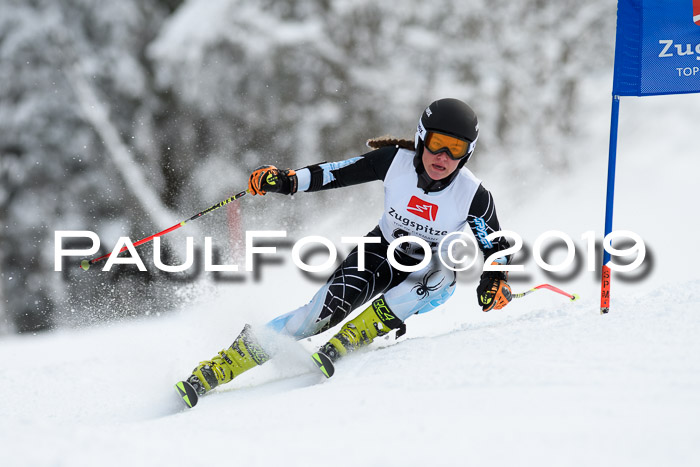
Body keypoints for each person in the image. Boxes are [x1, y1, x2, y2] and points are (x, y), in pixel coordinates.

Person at [181, 98, 513, 397]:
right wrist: (287, 181)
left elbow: (495, 245)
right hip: (380, 251)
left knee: (441, 275)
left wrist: (494, 280)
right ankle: (223, 365)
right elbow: (336, 173)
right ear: (422, 138)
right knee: (317, 317)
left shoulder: (472, 195)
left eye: (455, 148)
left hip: (428, 268)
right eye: (438, 144)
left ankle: (357, 335)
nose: (443, 156)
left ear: (466, 153)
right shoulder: (393, 162)